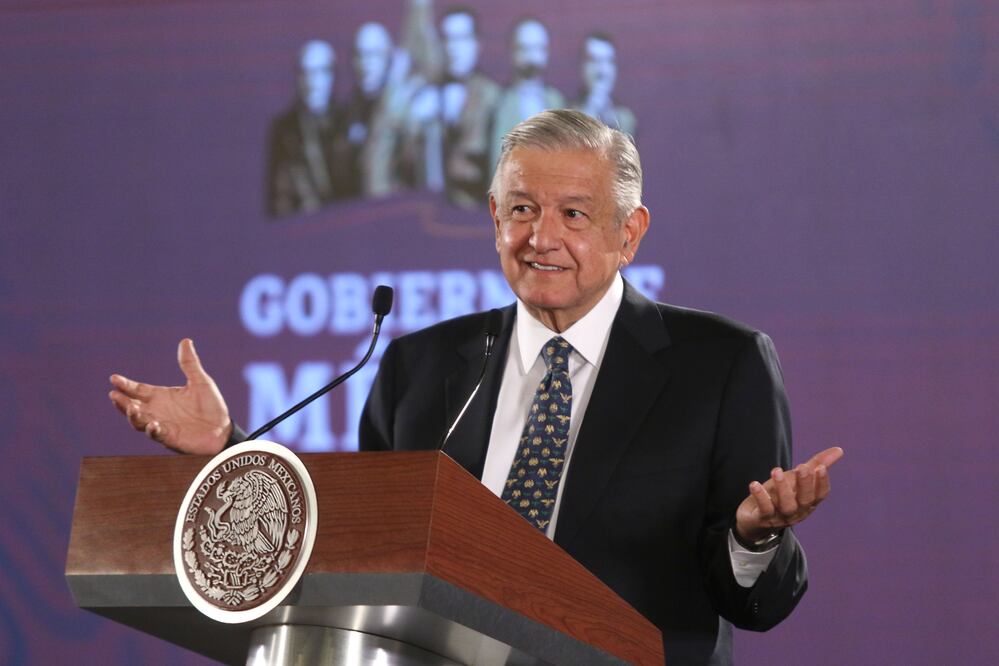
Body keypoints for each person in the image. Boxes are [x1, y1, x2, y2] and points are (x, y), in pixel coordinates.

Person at [109, 110, 842, 665]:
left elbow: (758, 603)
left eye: (573, 215)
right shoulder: (418, 369)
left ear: (630, 232)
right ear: (493, 219)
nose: (540, 237)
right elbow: (358, 550)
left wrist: (754, 535)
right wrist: (225, 452)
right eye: (521, 208)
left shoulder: (720, 365)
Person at [406, 5, 501, 207]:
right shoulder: (426, 95)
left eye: (461, 38)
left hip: (475, 211)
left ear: (477, 43)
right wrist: (414, 122)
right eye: (447, 39)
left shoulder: (492, 97)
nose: (452, 47)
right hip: (424, 211)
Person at [265, 40, 340, 217]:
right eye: (306, 73)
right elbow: (279, 197)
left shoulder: (348, 120)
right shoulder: (284, 130)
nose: (312, 82)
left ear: (332, 75)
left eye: (321, 72)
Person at [489, 18, 565, 170]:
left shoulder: (557, 102)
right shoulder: (499, 103)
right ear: (512, 52)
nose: (531, 57)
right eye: (524, 49)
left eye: (538, 48)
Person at [572, 32, 636, 136]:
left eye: (609, 61)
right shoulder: (564, 113)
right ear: (582, 67)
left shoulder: (625, 118)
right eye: (594, 61)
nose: (602, 71)